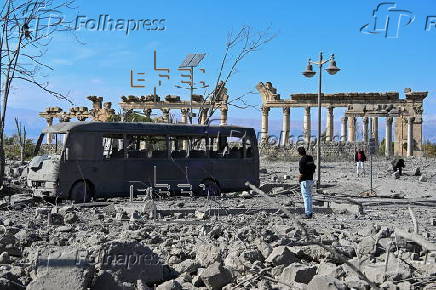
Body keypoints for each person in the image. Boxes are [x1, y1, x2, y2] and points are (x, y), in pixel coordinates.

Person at [297, 147, 316, 219]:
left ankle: (308, 213)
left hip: (305, 180)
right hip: (311, 179)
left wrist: (299, 178)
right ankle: (310, 212)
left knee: (306, 197)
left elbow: (302, 171)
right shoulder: (310, 158)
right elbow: (313, 167)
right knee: (309, 197)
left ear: (299, 153)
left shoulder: (302, 160)